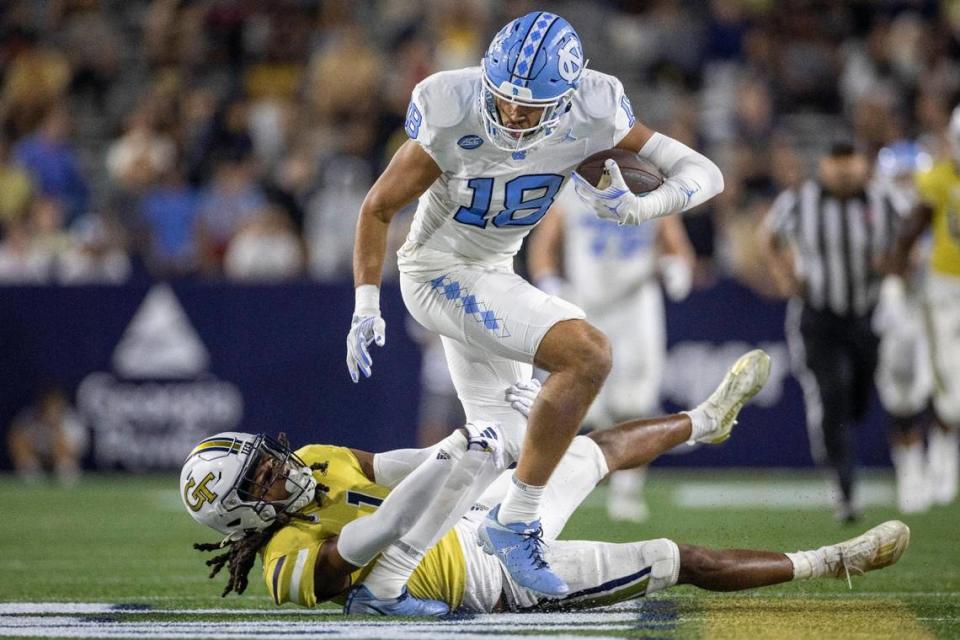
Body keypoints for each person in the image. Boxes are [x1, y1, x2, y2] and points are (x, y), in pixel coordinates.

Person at [346, 11, 724, 600]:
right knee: (589, 354)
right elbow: (376, 207)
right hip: (437, 271)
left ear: (570, 97)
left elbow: (705, 174)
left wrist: (645, 208)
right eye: (504, 98)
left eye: (532, 105)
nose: (515, 114)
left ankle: (380, 561)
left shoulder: (596, 108)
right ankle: (516, 521)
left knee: (504, 444)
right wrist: (366, 304)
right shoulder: (450, 104)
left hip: (494, 269)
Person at [182, 350, 910, 616]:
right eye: (262, 479)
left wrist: (465, 454)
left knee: (585, 451)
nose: (279, 470)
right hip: (494, 580)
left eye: (265, 458)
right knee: (676, 557)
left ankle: (706, 417)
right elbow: (371, 539)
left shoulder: (313, 458)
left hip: (475, 522)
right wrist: (448, 465)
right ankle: (830, 562)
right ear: (242, 517)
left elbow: (388, 470)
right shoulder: (282, 565)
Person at [759, 142, 908, 523]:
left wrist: (895, 263)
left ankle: (841, 472)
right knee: (832, 394)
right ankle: (844, 490)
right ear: (823, 167)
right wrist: (785, 276)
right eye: (836, 165)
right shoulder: (800, 200)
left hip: (867, 317)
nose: (844, 173)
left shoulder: (883, 199)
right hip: (819, 317)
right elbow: (768, 237)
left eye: (850, 165)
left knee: (858, 400)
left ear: (862, 165)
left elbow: (912, 237)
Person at [528, 184, 696, 522]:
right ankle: (534, 485)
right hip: (585, 303)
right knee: (567, 401)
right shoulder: (572, 192)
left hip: (636, 304)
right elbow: (544, 245)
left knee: (635, 403)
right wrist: (548, 281)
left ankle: (627, 490)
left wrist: (676, 267)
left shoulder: (652, 191)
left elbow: (676, 245)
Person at [882, 106, 960, 508]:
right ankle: (916, 466)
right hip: (921, 296)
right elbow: (901, 238)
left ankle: (940, 460)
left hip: (935, 294)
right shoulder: (936, 180)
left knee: (947, 386)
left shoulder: (938, 184)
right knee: (909, 385)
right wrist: (892, 284)